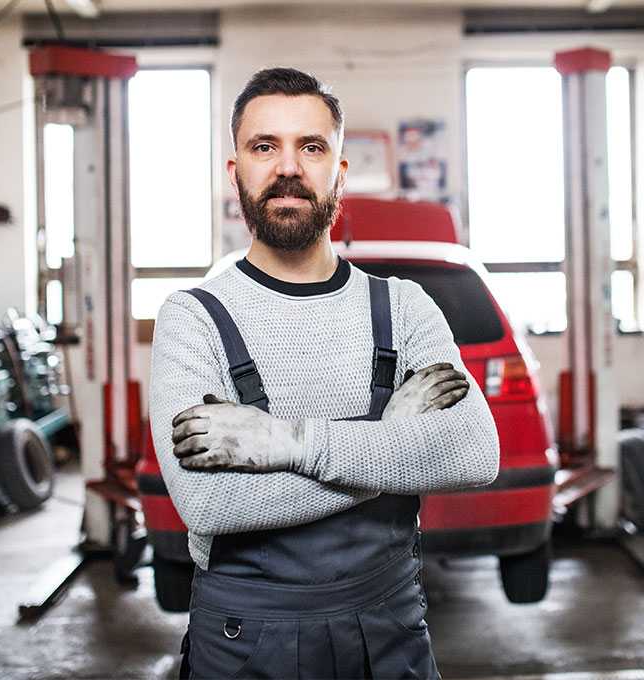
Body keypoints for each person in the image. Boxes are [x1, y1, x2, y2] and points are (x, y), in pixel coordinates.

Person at [149, 67, 500, 680]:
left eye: (311, 147)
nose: (289, 167)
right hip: (244, 646)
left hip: (390, 635)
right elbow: (209, 501)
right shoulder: (193, 319)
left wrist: (287, 442)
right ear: (236, 174)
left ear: (339, 171)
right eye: (265, 147)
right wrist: (393, 448)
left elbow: (473, 453)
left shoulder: (405, 307)